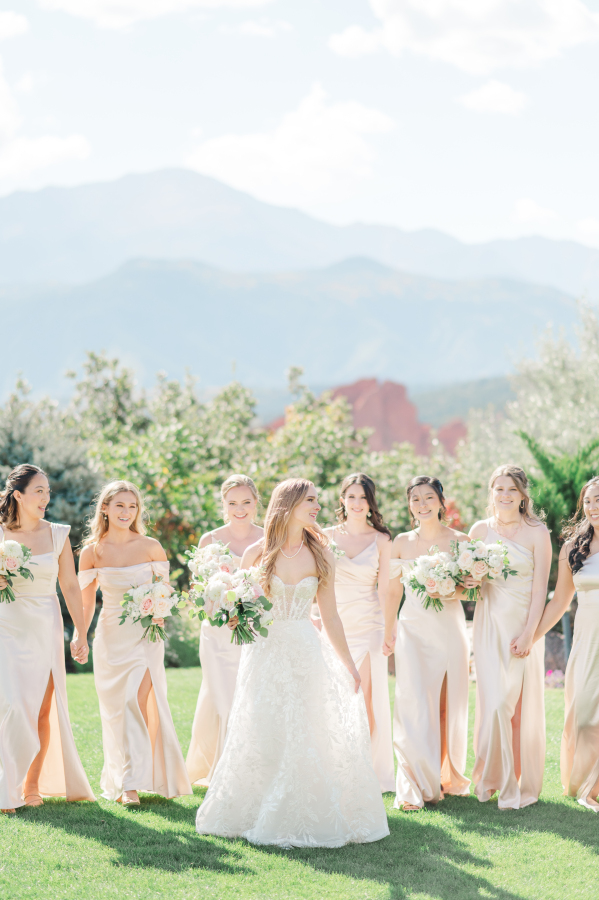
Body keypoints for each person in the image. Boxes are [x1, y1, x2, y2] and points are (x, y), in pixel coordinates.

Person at [196, 478, 389, 848]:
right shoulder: (257, 552)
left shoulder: (322, 553)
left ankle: (303, 810)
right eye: (310, 500)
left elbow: (330, 617)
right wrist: (233, 615)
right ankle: (255, 808)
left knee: (304, 728)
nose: (317, 506)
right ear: (289, 504)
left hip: (304, 649)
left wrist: (348, 664)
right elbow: (239, 604)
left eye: (317, 500)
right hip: (264, 651)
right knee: (263, 727)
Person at [79, 480, 192, 806]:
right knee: (117, 710)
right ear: (105, 508)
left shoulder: (151, 546)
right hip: (111, 636)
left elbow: (164, 593)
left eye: (132, 506)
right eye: (119, 506)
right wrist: (80, 635)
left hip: (145, 638)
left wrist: (159, 612)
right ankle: (128, 778)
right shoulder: (92, 552)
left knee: (136, 702)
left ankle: (131, 784)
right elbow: (86, 602)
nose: (126, 512)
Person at [0, 464, 94, 814]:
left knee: (41, 708)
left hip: (45, 623)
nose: (46, 497)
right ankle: (5, 785)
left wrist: (80, 632)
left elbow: (70, 586)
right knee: (9, 704)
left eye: (48, 490)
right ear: (19, 495)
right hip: (7, 623)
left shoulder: (58, 534)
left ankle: (31, 786)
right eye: (39, 490)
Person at [384, 475, 472, 811]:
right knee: (413, 702)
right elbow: (393, 591)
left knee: (446, 704)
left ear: (440, 502)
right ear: (410, 505)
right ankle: (412, 781)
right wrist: (388, 630)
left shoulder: (460, 541)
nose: (422, 504)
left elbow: (472, 589)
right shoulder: (401, 543)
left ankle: (443, 774)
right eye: (415, 499)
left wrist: (450, 589)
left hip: (448, 628)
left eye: (428, 498)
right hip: (412, 629)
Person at [470, 464, 551, 809]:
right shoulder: (479, 530)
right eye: (498, 489)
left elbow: (540, 591)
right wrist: (467, 583)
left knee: (513, 704)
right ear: (491, 493)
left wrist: (529, 634)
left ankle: (517, 781)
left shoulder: (537, 532)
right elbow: (469, 590)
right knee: (494, 704)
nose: (504, 495)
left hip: (523, 625)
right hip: (488, 624)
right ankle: (492, 779)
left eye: (511, 490)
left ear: (522, 496)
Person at [187, 474, 263, 785]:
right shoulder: (210, 540)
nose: (239, 508)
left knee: (249, 695)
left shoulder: (269, 537)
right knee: (223, 697)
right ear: (224, 505)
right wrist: (221, 610)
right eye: (232, 503)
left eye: (246, 502)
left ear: (256, 503)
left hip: (255, 631)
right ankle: (227, 769)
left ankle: (248, 766)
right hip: (218, 633)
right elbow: (198, 590)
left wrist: (247, 611)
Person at [323, 473, 394, 792]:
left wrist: (389, 630)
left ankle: (363, 771)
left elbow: (387, 589)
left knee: (365, 695)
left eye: (362, 497)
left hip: (369, 624)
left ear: (370, 502)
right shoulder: (324, 536)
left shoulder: (382, 540)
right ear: (342, 499)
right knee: (333, 697)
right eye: (350, 496)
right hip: (332, 622)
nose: (356, 503)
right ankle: (335, 766)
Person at [533, 476, 599, 811]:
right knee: (585, 715)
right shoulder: (573, 547)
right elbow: (559, 602)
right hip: (589, 641)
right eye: (588, 501)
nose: (593, 506)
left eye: (598, 499)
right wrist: (531, 637)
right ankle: (585, 786)